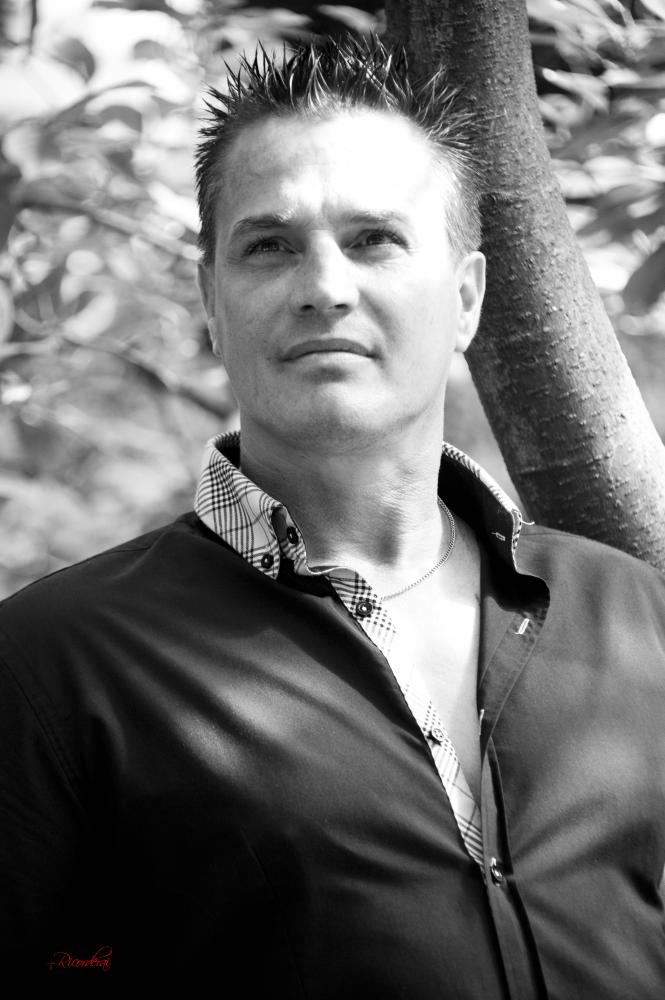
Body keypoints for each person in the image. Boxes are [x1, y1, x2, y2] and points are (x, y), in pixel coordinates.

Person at [1, 32, 664, 998]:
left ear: (466, 299)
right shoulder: (49, 662)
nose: (324, 288)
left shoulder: (633, 613)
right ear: (212, 302)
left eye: (373, 240)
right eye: (270, 246)